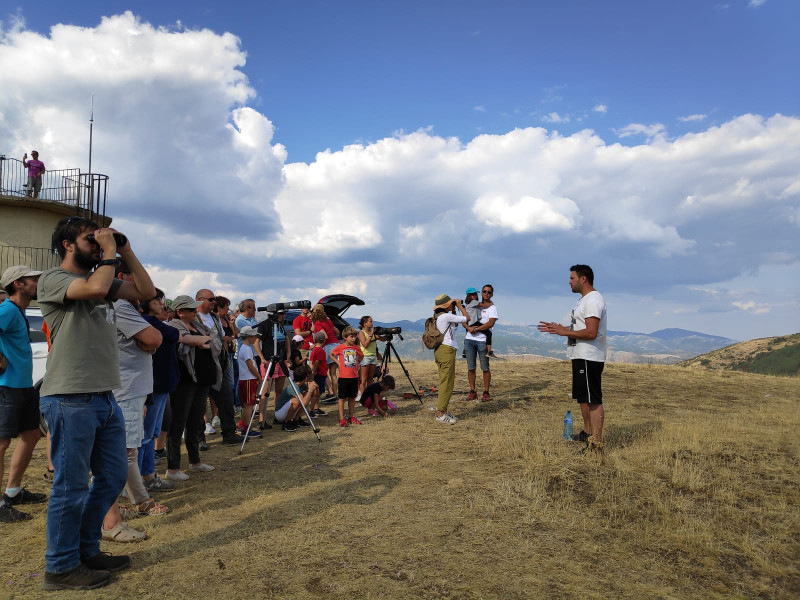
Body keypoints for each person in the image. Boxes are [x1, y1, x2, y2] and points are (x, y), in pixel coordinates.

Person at [37, 216, 156, 590]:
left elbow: (146, 292)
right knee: (71, 487)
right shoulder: (54, 280)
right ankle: (59, 568)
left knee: (112, 477)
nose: (99, 243)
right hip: (70, 397)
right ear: (68, 245)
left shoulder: (102, 282)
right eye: (90, 239)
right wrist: (108, 252)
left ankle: (87, 552)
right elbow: (92, 288)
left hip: (104, 397)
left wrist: (125, 250)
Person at [108, 262, 169, 519]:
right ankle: (141, 501)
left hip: (129, 386)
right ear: (122, 277)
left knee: (121, 447)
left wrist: (148, 343)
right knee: (127, 449)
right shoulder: (120, 305)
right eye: (137, 279)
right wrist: (150, 342)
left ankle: (117, 498)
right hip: (128, 386)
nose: (143, 287)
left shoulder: (116, 305)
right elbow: (154, 338)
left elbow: (150, 342)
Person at [538, 264, 607, 452]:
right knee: (584, 398)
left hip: (589, 357)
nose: (569, 282)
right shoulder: (584, 300)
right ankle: (587, 433)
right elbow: (581, 329)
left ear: (583, 279)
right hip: (581, 355)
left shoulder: (593, 300)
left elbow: (592, 332)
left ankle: (597, 443)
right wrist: (562, 329)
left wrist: (563, 332)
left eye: (572, 278)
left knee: (593, 399)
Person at [0, 265, 46, 523]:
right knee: (1, 444)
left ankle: (13, 492)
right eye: (34, 279)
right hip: (6, 386)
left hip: (22, 386)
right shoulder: (6, 309)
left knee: (30, 434)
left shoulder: (18, 310)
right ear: (18, 284)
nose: (38, 282)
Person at [165, 296, 216, 481]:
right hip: (184, 381)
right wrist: (197, 340)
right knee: (178, 423)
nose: (195, 312)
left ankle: (195, 461)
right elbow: (189, 341)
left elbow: (213, 339)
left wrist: (200, 339)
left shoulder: (199, 326)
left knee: (196, 422)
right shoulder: (174, 326)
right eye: (191, 310)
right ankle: (172, 468)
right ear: (180, 312)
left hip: (201, 379)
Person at [138, 289, 180, 492]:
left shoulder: (154, 322)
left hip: (160, 385)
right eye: (155, 299)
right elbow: (173, 334)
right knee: (145, 434)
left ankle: (148, 474)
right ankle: (142, 477)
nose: (160, 303)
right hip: (152, 385)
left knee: (151, 432)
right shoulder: (147, 322)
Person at [195, 289, 238, 444]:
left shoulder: (214, 317)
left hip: (218, 365)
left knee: (226, 399)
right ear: (200, 300)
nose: (214, 302)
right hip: (200, 366)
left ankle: (229, 434)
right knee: (199, 405)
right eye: (211, 299)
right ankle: (199, 440)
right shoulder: (194, 317)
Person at [432, 294, 470, 424]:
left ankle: (444, 410)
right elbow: (467, 318)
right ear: (446, 305)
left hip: (441, 351)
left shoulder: (439, 317)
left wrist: (454, 308)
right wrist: (459, 305)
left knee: (446, 381)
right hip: (446, 350)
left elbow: (456, 325)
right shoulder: (445, 316)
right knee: (447, 382)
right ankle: (441, 413)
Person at [464, 284, 498, 402]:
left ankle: (486, 392)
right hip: (469, 339)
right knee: (471, 368)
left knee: (485, 368)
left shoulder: (492, 308)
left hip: (482, 341)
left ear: (492, 294)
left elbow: (491, 323)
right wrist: (468, 328)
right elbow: (464, 318)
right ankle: (472, 391)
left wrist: (476, 329)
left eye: (489, 292)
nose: (486, 294)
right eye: (484, 291)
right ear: (481, 293)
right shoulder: (475, 303)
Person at [330, 326, 363, 427]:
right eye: (351, 337)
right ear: (345, 337)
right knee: (342, 398)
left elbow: (361, 356)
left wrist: (358, 361)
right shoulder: (340, 347)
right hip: (344, 377)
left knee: (352, 398)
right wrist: (338, 362)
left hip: (354, 376)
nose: (353, 339)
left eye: (354, 337)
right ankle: (341, 418)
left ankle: (351, 416)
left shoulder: (356, 348)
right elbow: (331, 354)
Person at [236, 326, 263, 438]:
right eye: (253, 336)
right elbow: (250, 365)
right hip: (248, 379)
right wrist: (258, 376)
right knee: (249, 405)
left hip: (245, 379)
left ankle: (242, 425)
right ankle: (246, 429)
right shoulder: (246, 349)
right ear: (249, 336)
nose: (255, 338)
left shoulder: (244, 347)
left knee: (246, 405)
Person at [274, 364, 316, 433]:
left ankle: (297, 420)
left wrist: (314, 388)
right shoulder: (293, 387)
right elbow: (303, 403)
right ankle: (287, 422)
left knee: (306, 395)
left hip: (287, 411)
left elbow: (314, 395)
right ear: (305, 378)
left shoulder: (302, 385)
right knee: (297, 400)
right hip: (279, 414)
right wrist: (310, 390)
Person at [311, 303, 340, 399]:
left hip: (327, 346)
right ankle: (335, 394)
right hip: (336, 345)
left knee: (324, 371)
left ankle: (330, 393)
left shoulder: (318, 323)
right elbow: (337, 332)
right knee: (333, 373)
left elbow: (325, 336)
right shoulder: (328, 320)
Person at [357, 316, 385, 400]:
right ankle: (363, 397)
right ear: (365, 323)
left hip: (373, 356)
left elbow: (381, 339)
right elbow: (365, 344)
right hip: (365, 356)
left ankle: (369, 395)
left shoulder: (372, 332)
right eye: (370, 321)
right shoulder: (361, 333)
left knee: (370, 378)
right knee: (363, 379)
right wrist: (371, 335)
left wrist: (386, 335)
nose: (372, 323)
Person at [307, 330, 328, 417]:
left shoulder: (314, 350)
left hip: (317, 373)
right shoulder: (320, 350)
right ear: (324, 341)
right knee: (317, 393)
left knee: (317, 393)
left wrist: (312, 371)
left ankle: (316, 408)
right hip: (320, 373)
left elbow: (311, 362)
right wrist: (314, 372)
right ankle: (311, 410)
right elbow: (317, 363)